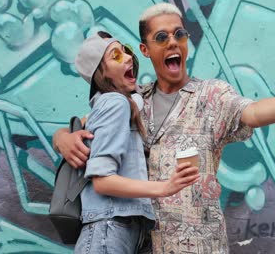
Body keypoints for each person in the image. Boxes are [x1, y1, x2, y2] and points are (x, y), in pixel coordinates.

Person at [53, 3, 275, 254]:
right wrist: (62, 138)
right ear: (145, 49)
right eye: (161, 37)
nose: (173, 42)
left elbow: (254, 113)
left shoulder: (212, 95)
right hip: (144, 246)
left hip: (201, 245)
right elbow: (85, 126)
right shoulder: (131, 101)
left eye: (179, 34)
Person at [71, 31, 199, 254]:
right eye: (116, 56)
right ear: (103, 74)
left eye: (126, 51)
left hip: (116, 230)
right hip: (107, 231)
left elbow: (136, 99)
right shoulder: (115, 103)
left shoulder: (119, 104)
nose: (129, 57)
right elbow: (102, 181)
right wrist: (165, 188)